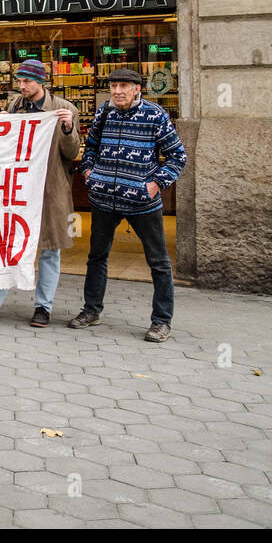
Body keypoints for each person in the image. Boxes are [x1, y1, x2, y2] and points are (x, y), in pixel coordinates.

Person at [0, 60, 78, 326]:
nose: (21, 86)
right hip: (18, 190)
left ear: (40, 81)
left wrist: (67, 129)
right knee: (7, 245)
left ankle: (43, 307)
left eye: (26, 82)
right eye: (19, 81)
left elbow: (71, 153)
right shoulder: (15, 107)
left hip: (49, 191)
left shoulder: (64, 110)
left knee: (50, 250)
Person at [69, 67, 187, 342]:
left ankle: (161, 321)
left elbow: (177, 156)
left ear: (137, 89)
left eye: (124, 86)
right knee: (97, 257)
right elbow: (92, 147)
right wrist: (89, 173)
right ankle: (91, 310)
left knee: (158, 261)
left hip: (141, 202)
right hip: (103, 199)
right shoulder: (104, 112)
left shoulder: (155, 115)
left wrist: (155, 184)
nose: (118, 91)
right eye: (114, 86)